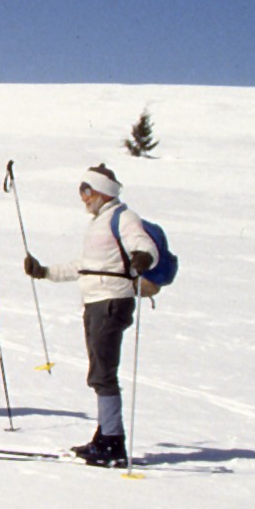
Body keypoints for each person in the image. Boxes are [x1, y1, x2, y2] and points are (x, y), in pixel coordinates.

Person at [23, 163, 157, 467]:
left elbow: (143, 243)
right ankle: (105, 434)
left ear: (103, 191)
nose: (83, 197)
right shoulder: (100, 222)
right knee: (100, 370)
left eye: (87, 190)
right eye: (81, 191)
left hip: (112, 300)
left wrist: (144, 257)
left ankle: (112, 442)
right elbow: (81, 266)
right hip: (97, 301)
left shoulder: (123, 217)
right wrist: (44, 272)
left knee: (103, 373)